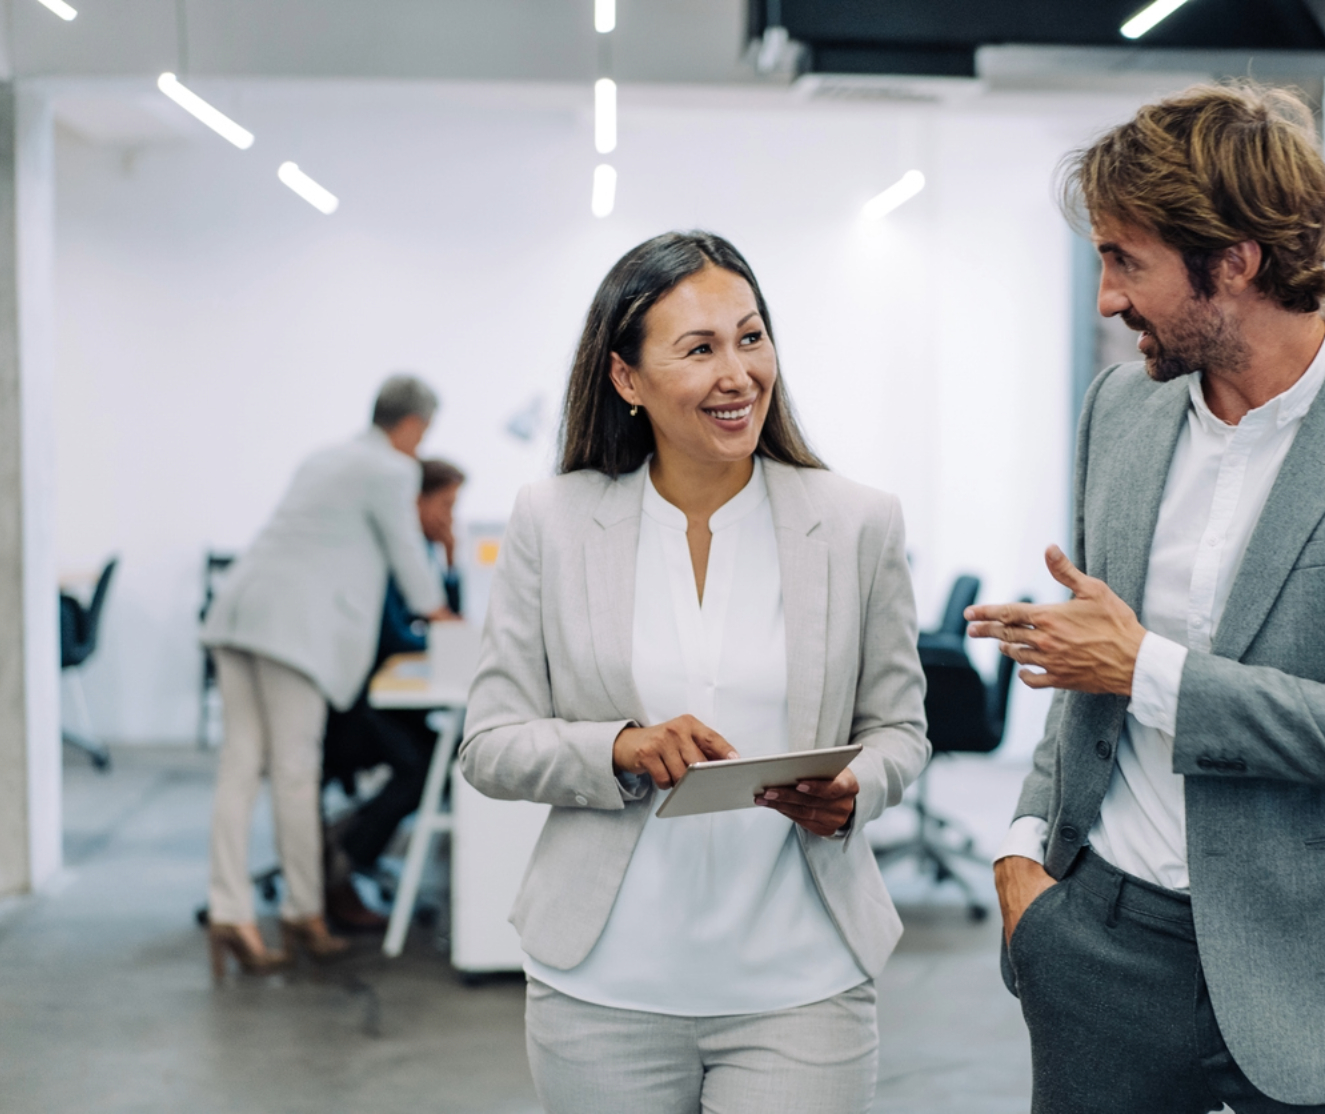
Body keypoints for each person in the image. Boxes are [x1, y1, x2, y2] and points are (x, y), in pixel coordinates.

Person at [966, 84, 1325, 1113]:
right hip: (1104, 949)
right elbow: (1085, 655)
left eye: (1126, 260)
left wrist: (1148, 670)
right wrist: (1021, 855)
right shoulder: (1121, 407)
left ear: (1234, 262)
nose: (1104, 298)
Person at [460, 230, 929, 1114]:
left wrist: (856, 787)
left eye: (752, 338)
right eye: (700, 348)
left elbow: (900, 730)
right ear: (626, 378)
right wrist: (623, 748)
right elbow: (490, 744)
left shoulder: (859, 522)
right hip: (603, 987)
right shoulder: (553, 521)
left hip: (803, 983)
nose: (738, 374)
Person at [200, 375, 454, 975]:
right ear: (414, 427)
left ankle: (229, 913)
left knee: (240, 766)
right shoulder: (390, 470)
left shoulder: (325, 457)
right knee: (294, 771)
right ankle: (303, 912)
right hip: (294, 631)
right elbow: (406, 556)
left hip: (238, 610)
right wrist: (445, 614)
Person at [322, 458, 468, 931]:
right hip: (351, 706)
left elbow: (439, 615)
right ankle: (342, 860)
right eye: (445, 504)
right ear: (415, 502)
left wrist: (449, 562)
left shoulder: (420, 555)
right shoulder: (386, 557)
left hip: (371, 699)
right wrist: (446, 637)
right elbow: (395, 637)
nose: (450, 517)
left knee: (439, 757)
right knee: (425, 764)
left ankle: (350, 845)